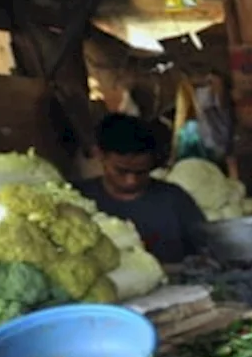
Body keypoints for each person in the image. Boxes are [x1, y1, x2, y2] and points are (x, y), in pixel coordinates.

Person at [76, 113, 207, 265]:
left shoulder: (175, 200)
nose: (131, 181)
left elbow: (205, 253)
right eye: (121, 171)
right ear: (99, 154)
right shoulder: (79, 200)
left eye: (141, 172)